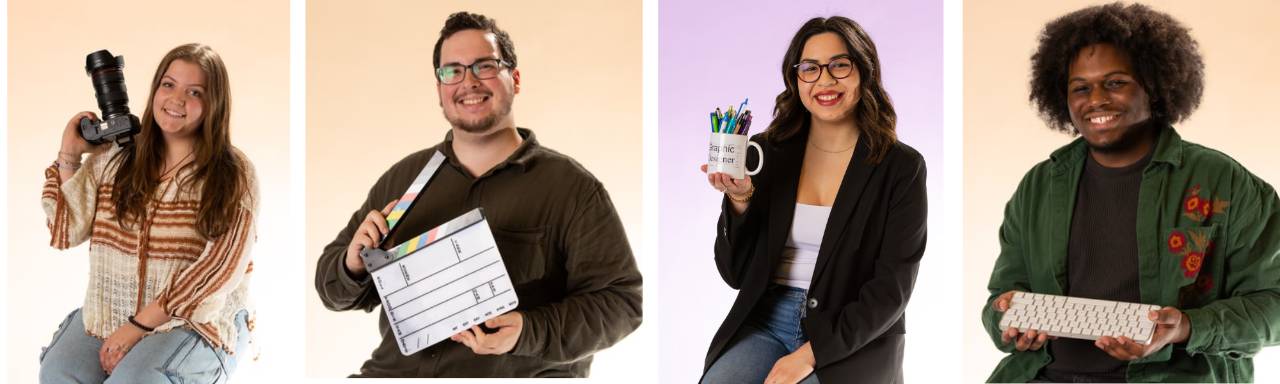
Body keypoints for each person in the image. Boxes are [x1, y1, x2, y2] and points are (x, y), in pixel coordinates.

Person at [314, 11, 642, 378]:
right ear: (439, 89)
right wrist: (353, 265)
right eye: (452, 71)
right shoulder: (403, 180)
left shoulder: (572, 189)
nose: (468, 82)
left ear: (515, 79)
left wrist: (528, 331)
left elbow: (622, 303)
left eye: (484, 66)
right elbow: (331, 291)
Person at [981, 3, 1280, 382]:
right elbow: (1002, 297)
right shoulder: (1039, 185)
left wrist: (1186, 327)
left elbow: (1274, 304)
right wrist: (1006, 318)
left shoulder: (1224, 183)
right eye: (1080, 88)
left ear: (1154, 87)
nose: (1096, 99)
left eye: (1115, 83)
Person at [699, 16, 928, 384]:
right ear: (796, 79)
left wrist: (810, 354)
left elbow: (891, 291)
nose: (825, 80)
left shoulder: (901, 167)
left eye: (839, 65)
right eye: (810, 68)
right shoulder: (765, 152)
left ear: (864, 72)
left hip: (850, 333)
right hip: (766, 321)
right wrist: (740, 200)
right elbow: (735, 274)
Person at [39, 43, 257, 383]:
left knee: (134, 380)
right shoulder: (116, 158)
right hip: (109, 312)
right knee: (58, 374)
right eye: (168, 85)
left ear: (214, 103)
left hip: (193, 320)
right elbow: (66, 231)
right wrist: (70, 154)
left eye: (194, 92)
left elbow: (219, 269)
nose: (176, 99)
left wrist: (137, 327)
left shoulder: (233, 172)